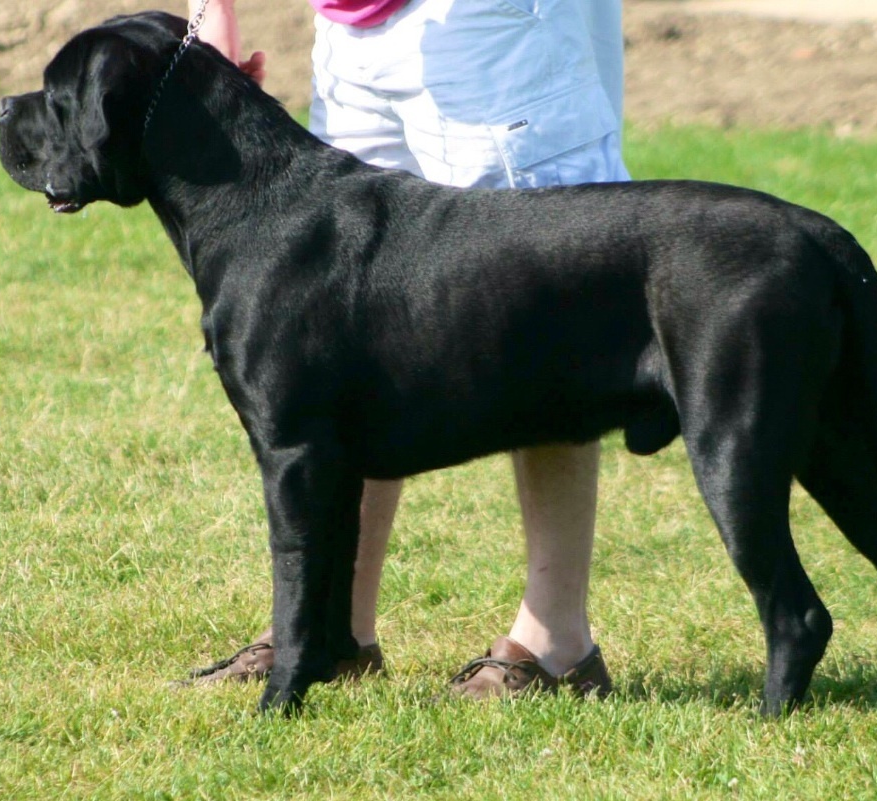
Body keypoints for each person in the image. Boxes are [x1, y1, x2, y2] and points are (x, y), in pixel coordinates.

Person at [188, 0, 628, 698]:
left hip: (488, 23)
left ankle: (555, 644)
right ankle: (333, 632)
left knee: (544, 310)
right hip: (350, 25)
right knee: (344, 314)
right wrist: (212, 16)